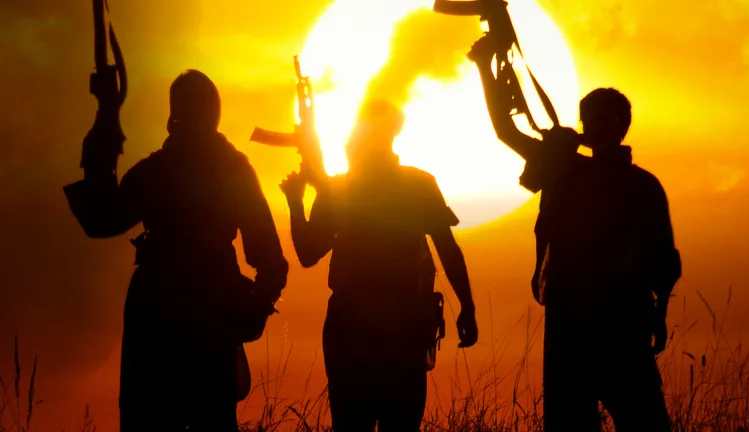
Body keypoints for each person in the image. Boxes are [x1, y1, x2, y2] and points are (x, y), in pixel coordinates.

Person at [468, 36, 682, 432]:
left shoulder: (639, 185)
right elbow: (506, 131)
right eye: (591, 119)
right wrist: (485, 67)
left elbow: (663, 258)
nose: (596, 127)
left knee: (644, 420)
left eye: (605, 120)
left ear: (622, 126)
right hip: (571, 315)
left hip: (621, 316)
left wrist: (659, 311)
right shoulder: (565, 167)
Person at [64, 70, 289, 431]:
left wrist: (105, 117)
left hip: (159, 319)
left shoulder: (158, 172)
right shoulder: (233, 171)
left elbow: (101, 220)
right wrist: (253, 313)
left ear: (173, 117)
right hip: (208, 317)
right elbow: (272, 262)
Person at [279, 99, 479, 431]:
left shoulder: (339, 187)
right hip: (402, 329)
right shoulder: (417, 184)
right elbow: (448, 249)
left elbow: (307, 253)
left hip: (355, 328)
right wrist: (467, 307)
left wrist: (295, 202)